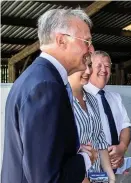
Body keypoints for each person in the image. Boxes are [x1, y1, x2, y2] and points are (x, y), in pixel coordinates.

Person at [1, 9, 97, 183]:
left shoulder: (36, 77)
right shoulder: (46, 86)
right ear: (61, 40)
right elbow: (45, 178)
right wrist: (85, 159)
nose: (91, 48)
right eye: (87, 41)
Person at [84, 51, 131, 171]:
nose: (104, 70)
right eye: (99, 65)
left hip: (114, 167)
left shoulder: (115, 97)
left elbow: (125, 126)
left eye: (107, 66)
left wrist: (121, 148)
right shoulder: (80, 96)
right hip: (89, 169)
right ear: (89, 68)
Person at [68, 59, 116, 183]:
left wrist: (111, 177)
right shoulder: (61, 101)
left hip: (97, 177)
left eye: (89, 65)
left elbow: (100, 140)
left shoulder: (92, 100)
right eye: (82, 66)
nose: (88, 71)